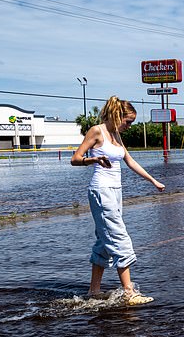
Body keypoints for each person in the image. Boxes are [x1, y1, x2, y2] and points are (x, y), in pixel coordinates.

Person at [71, 96, 165, 305]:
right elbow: (75, 159)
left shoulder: (115, 134)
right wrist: (94, 159)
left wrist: (153, 180)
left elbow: (129, 161)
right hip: (101, 190)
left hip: (115, 191)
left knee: (105, 241)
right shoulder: (97, 131)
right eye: (128, 121)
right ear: (117, 115)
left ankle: (93, 291)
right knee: (120, 238)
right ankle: (129, 293)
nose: (129, 126)